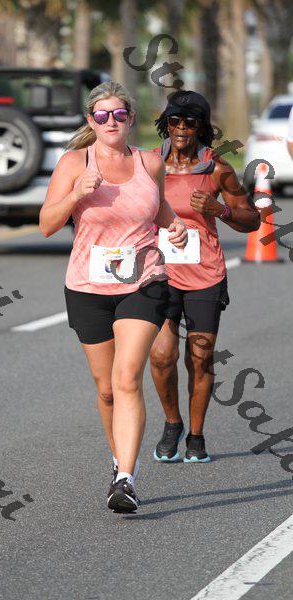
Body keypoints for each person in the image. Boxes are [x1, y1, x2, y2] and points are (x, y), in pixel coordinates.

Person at [39, 81, 187, 513]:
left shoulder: (149, 162)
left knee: (126, 378)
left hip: (144, 281)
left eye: (119, 114)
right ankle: (119, 459)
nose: (111, 122)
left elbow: (158, 208)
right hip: (88, 287)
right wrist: (76, 194)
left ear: (130, 119)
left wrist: (175, 225)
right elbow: (46, 224)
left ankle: (126, 478)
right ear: (91, 120)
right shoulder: (74, 163)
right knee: (106, 390)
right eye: (102, 115)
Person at [150, 90, 260, 463]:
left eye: (190, 122)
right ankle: (172, 423)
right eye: (175, 121)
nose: (181, 128)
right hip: (159, 274)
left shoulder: (217, 169)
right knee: (161, 355)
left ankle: (196, 436)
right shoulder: (149, 165)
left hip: (204, 276)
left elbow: (251, 220)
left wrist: (219, 210)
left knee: (200, 356)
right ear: (166, 123)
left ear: (202, 127)